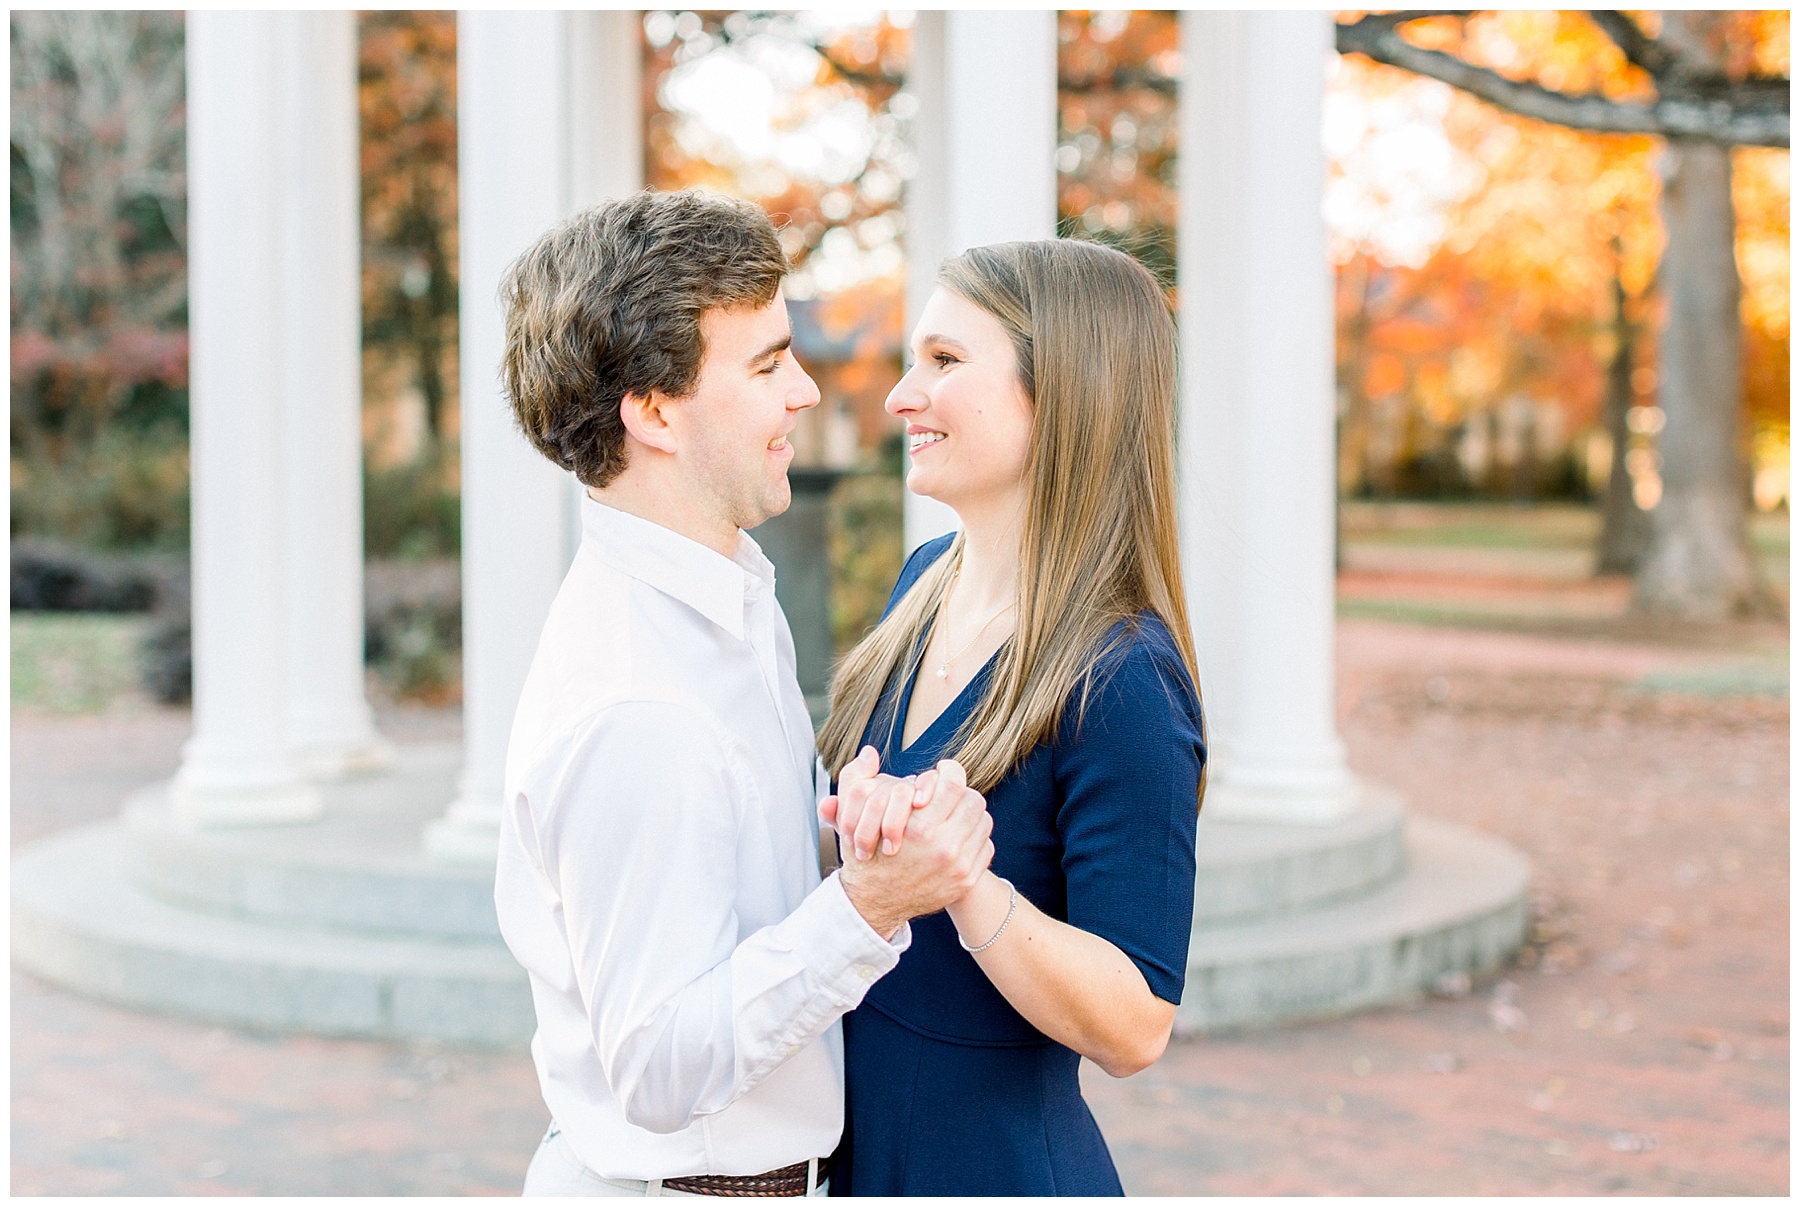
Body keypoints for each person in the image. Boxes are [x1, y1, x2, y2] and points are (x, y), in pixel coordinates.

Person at [492, 189, 995, 1198]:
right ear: (654, 411)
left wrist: (853, 837)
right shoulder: (640, 704)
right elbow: (659, 1065)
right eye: (767, 366)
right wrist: (868, 904)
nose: (805, 392)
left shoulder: (731, 598)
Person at [813, 238, 1207, 1196]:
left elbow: (1135, 1023)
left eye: (945, 362)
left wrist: (964, 883)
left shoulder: (1125, 680)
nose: (902, 396)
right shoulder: (920, 587)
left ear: (1064, 389)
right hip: (861, 1163)